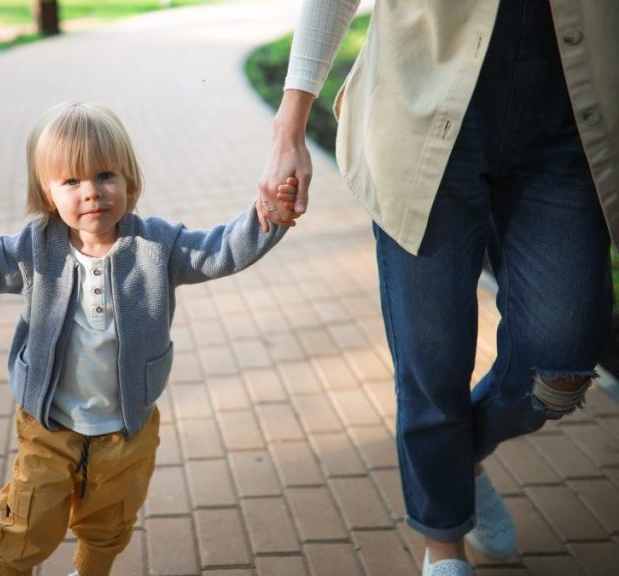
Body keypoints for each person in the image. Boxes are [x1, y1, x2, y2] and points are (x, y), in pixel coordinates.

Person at [259, 0, 617, 574]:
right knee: (433, 362)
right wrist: (290, 124)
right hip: (420, 115)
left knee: (566, 357)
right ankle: (444, 544)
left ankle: (458, 456)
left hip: (566, 125)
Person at [0, 102, 297, 576]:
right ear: (48, 194)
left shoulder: (157, 246)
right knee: (24, 525)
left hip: (124, 429)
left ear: (130, 181)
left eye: (106, 175)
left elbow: (217, 251)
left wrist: (266, 219)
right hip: (50, 425)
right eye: (71, 181)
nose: (92, 193)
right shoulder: (36, 246)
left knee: (109, 524)